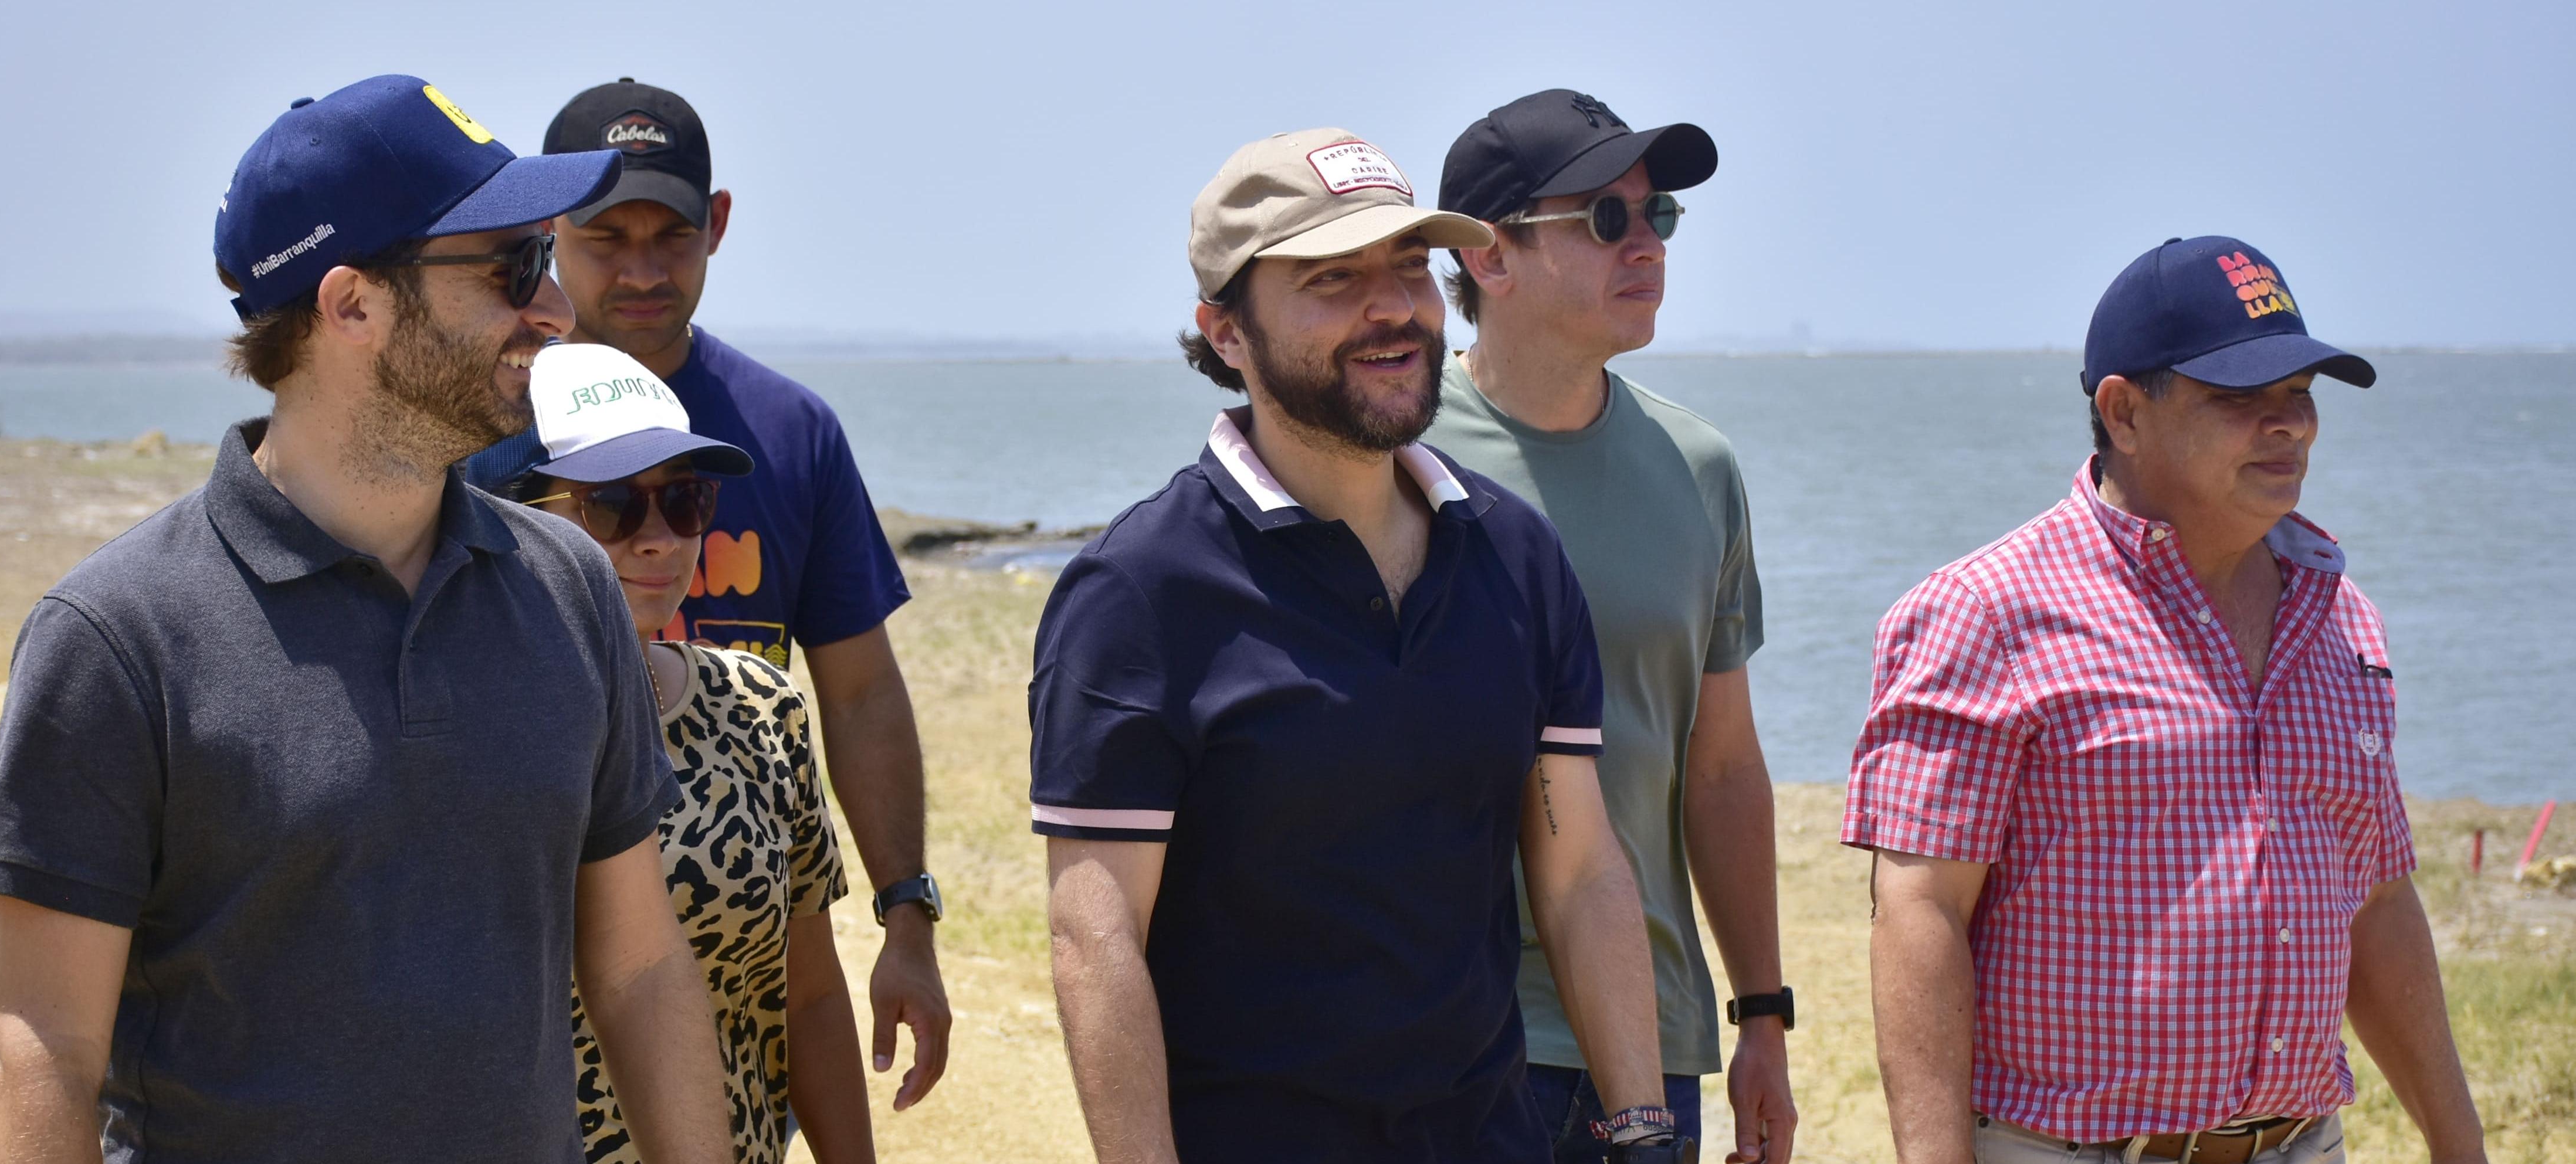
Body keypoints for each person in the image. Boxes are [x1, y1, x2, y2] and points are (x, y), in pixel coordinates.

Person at [0, 76, 729, 1162]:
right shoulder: (117, 636)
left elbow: (641, 969)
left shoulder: (570, 588)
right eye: (516, 266)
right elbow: (43, 1049)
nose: (556, 308)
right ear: (352, 304)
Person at [1034, 128, 1693, 1164]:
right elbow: (1095, 936)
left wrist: (1643, 1121)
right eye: (1334, 279)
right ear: (1228, 332)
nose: (1392, 306)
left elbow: (1578, 871)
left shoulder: (1514, 554)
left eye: (1407, 269)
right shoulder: (1140, 591)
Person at [1844, 236, 2486, 1163]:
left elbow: (2376, 900)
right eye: (2240, 398)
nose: (2289, 425)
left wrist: (2459, 1145)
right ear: (2123, 411)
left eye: (2300, 395)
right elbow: (1919, 913)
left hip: (2303, 1145)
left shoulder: (2342, 619)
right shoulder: (1983, 612)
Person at [470, 79, 948, 1105]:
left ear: (717, 224)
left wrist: (906, 912)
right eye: (607, 238)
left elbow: (859, 691)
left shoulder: (790, 433)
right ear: (549, 231)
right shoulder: (481, 434)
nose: (642, 270)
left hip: (735, 922)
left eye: (671, 236)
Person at [1431, 89, 1797, 1164]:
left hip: (1646, 1046)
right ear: (1490, 257)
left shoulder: (1699, 469)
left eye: (1660, 217)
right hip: (1439, 1036)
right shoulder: (1389, 460)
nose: (1647, 245)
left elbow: (1722, 768)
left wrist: (1760, 1016)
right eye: (1605, 219)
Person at [492, 342, 873, 1164]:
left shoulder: (760, 707)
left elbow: (807, 994)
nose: (660, 538)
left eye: (686, 501)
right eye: (614, 505)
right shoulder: (461, 736)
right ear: (507, 513)